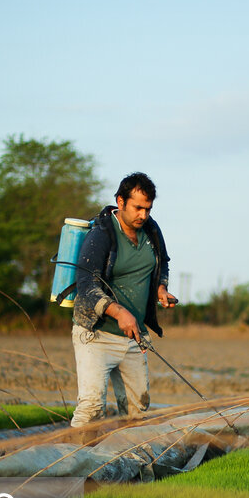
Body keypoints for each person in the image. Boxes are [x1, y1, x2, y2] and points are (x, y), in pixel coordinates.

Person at [70, 172, 177, 427]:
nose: (143, 215)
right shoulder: (101, 235)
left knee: (137, 410)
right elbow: (86, 285)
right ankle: (77, 462)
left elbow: (163, 264)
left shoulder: (151, 230)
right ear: (120, 201)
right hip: (96, 335)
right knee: (92, 409)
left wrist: (161, 289)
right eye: (138, 208)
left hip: (133, 337)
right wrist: (119, 312)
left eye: (148, 209)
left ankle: (128, 463)